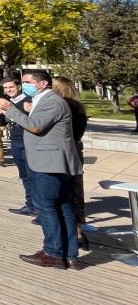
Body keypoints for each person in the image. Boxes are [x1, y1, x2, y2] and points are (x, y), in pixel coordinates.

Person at [0, 69, 83, 270]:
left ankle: (53, 252)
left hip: (48, 162)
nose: (24, 85)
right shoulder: (44, 100)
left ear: (42, 84)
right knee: (62, 207)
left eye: (27, 82)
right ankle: (69, 254)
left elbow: (35, 126)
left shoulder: (52, 101)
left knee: (47, 207)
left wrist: (10, 109)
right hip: (47, 161)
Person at [51, 76, 90, 251]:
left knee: (64, 192)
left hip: (63, 151)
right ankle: (79, 230)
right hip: (76, 149)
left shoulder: (62, 106)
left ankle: (73, 235)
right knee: (76, 191)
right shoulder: (78, 106)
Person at [3, 78, 36, 216]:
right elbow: (2, 122)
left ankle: (40, 207)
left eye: (11, 87)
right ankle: (30, 204)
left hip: (27, 141)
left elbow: (32, 121)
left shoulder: (29, 101)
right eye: (5, 88)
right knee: (24, 175)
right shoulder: (7, 102)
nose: (8, 90)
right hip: (15, 140)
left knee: (32, 175)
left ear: (18, 87)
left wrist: (11, 109)